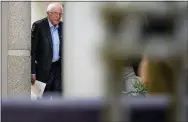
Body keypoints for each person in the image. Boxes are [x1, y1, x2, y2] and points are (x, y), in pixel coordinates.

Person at [31, 3, 63, 98]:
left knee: (59, 100)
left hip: (58, 70)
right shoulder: (38, 26)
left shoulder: (63, 27)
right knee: (41, 100)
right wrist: (32, 72)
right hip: (41, 71)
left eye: (60, 14)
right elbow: (32, 51)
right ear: (48, 13)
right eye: (55, 13)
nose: (58, 16)